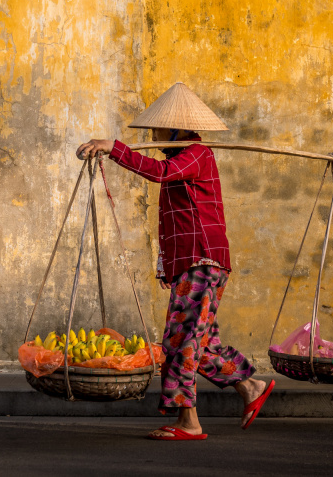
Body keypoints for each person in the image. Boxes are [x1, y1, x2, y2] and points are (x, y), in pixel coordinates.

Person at [76, 82, 274, 440]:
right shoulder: (181, 161)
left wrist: (113, 147)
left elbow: (158, 172)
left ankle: (189, 422)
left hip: (202, 261)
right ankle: (250, 388)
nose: (153, 134)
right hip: (194, 263)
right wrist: (168, 267)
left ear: (176, 129)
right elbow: (171, 213)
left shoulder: (196, 154)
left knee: (181, 341)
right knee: (202, 343)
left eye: (158, 129)